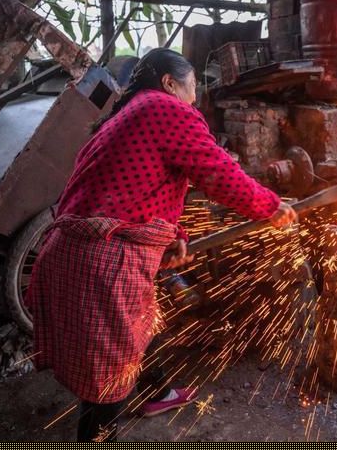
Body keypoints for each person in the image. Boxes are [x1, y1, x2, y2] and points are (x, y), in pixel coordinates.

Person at [25, 48, 297, 442]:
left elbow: (140, 187)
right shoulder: (165, 109)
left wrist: (175, 234)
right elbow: (217, 170)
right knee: (108, 381)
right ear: (169, 83)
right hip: (104, 261)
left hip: (73, 254)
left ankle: (155, 392)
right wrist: (269, 205)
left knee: (137, 327)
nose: (195, 99)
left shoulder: (126, 114)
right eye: (192, 88)